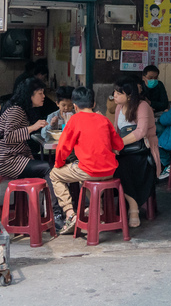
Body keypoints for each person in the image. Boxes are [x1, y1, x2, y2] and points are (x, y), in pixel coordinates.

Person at [51, 87, 125, 235]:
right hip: (110, 171)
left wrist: (59, 165)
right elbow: (119, 145)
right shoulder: (104, 119)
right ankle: (98, 209)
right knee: (83, 175)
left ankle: (70, 213)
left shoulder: (74, 120)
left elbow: (62, 148)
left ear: (75, 106)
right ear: (94, 103)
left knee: (54, 175)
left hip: (88, 171)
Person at [0, 78, 64, 224]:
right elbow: (9, 137)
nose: (43, 96)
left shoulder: (20, 109)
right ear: (30, 95)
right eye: (40, 93)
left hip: (13, 157)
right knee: (49, 169)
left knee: (46, 164)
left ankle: (48, 211)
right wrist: (33, 127)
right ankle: (56, 214)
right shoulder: (15, 110)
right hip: (7, 160)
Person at [112, 77, 162, 227]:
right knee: (115, 165)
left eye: (118, 93)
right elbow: (115, 130)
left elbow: (141, 132)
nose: (114, 95)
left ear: (129, 95)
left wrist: (119, 144)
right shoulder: (118, 108)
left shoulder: (142, 106)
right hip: (124, 151)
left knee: (126, 166)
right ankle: (132, 205)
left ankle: (133, 209)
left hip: (142, 151)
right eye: (114, 92)